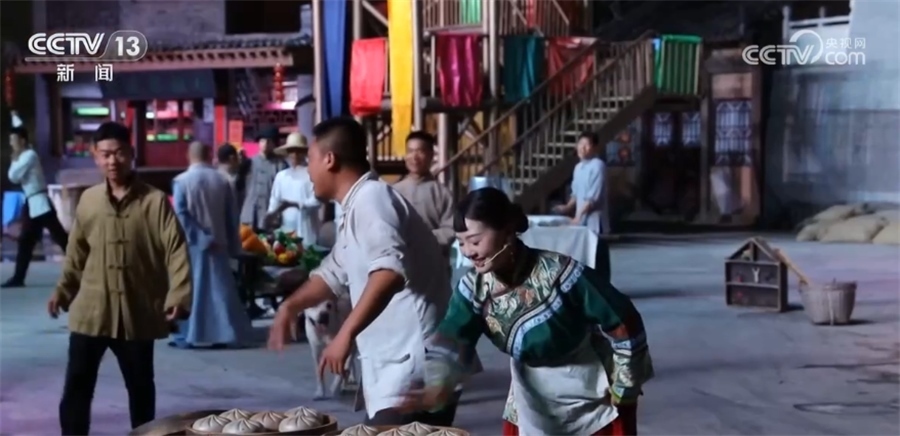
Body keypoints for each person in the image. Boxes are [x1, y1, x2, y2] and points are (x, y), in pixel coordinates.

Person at [401, 187, 654, 436]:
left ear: (508, 231)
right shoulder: (473, 290)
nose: (468, 252)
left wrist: (625, 384)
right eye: (461, 243)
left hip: (590, 391)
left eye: (475, 241)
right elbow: (454, 338)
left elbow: (623, 320)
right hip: (531, 396)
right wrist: (434, 384)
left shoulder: (561, 274)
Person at [268, 117, 463, 426]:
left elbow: (389, 273)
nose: (308, 171)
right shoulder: (357, 204)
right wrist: (290, 306)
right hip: (401, 364)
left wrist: (344, 334)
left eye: (310, 160)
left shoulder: (372, 199)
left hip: (417, 365)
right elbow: (333, 273)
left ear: (329, 159)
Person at [49, 122, 192, 435]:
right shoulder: (88, 201)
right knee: (77, 387)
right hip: (92, 312)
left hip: (136, 313)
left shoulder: (154, 202)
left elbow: (176, 249)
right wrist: (63, 290)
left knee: (141, 390)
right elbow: (76, 252)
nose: (112, 161)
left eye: (119, 153)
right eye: (105, 154)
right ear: (95, 156)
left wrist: (179, 295)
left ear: (131, 153)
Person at [169, 142, 254, 349]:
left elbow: (181, 214)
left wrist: (200, 237)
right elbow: (232, 216)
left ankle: (190, 333)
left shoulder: (181, 181)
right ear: (209, 155)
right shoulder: (222, 180)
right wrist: (234, 244)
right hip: (220, 241)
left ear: (188, 155)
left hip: (191, 244)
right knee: (219, 290)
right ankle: (224, 333)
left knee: (193, 290)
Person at [2, 126, 69, 288]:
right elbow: (14, 177)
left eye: (14, 139)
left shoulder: (29, 155)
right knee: (27, 241)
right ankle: (18, 277)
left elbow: (13, 176)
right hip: (33, 203)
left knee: (61, 238)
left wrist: (14, 160)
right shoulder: (24, 156)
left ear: (22, 141)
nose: (11, 143)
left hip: (40, 203)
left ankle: (89, 266)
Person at [392, 131, 455, 259]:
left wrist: (423, 237)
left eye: (420, 151)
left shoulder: (443, 193)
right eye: (410, 151)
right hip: (401, 260)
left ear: (431, 155)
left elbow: (451, 230)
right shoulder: (393, 191)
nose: (414, 157)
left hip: (433, 260)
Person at [266, 132, 321, 245]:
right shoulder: (281, 176)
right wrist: (271, 214)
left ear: (304, 152)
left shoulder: (312, 174)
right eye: (292, 151)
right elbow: (274, 200)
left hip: (307, 228)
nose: (295, 155)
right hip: (286, 230)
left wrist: (296, 204)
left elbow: (317, 200)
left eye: (298, 151)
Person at [554, 131, 606, 234]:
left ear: (594, 148)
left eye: (587, 145)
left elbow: (592, 199)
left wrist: (578, 217)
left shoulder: (598, 165)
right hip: (581, 220)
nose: (582, 148)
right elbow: (576, 194)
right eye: (580, 144)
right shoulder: (578, 167)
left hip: (595, 222)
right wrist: (567, 207)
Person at [239, 126, 287, 229]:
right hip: (250, 213)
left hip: (270, 214)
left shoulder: (280, 165)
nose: (265, 144)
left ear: (274, 143)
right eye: (262, 140)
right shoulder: (249, 162)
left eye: (269, 141)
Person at [216, 143, 245, 209]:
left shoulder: (213, 177)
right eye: (237, 157)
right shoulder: (230, 181)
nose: (239, 161)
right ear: (232, 158)